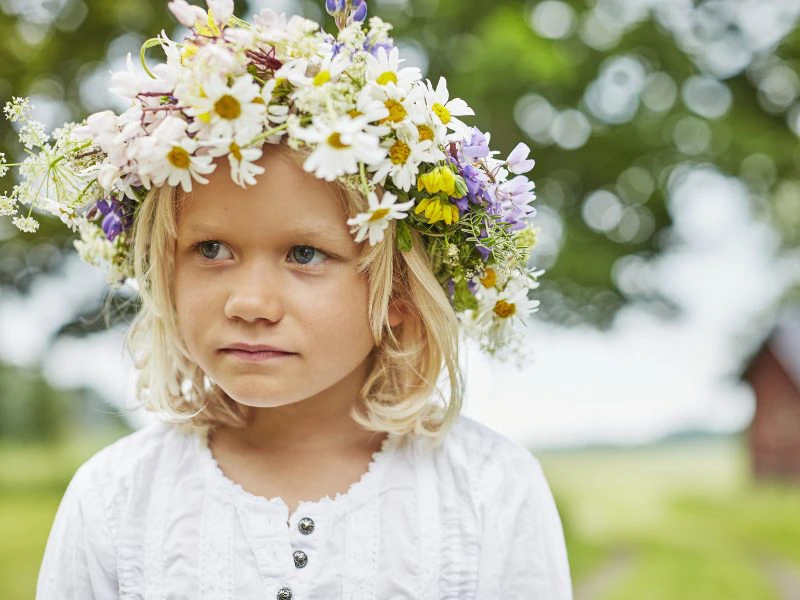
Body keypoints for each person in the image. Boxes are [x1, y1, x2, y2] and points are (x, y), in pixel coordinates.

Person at [2, 0, 572, 597]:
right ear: (162, 271)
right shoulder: (114, 501)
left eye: (304, 255)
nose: (249, 303)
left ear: (399, 293)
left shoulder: (489, 492)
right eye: (212, 249)